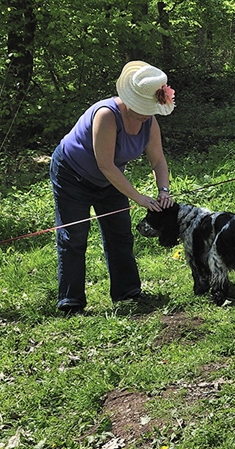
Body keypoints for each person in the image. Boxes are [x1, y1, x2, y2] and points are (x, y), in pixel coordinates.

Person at [50, 61, 176, 314]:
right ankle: (71, 301)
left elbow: (158, 159)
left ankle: (127, 293)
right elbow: (105, 164)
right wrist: (138, 197)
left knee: (120, 233)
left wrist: (163, 191)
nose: (146, 114)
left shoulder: (149, 122)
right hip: (72, 175)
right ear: (129, 99)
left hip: (110, 180)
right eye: (143, 109)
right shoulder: (107, 115)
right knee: (73, 236)